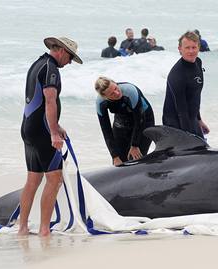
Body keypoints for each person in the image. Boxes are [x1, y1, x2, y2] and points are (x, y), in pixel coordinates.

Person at [19, 37, 83, 236]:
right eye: (70, 57)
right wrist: (53, 132)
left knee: (33, 180)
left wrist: (56, 125)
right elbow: (49, 100)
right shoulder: (51, 68)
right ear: (62, 51)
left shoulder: (37, 64)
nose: (69, 62)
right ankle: (44, 230)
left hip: (29, 128)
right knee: (54, 179)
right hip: (42, 132)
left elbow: (34, 101)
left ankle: (22, 229)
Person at [95, 77, 155, 166]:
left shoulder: (130, 91)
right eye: (111, 94)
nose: (117, 93)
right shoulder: (101, 103)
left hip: (144, 119)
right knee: (119, 161)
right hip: (122, 119)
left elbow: (140, 120)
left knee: (135, 161)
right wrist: (114, 156)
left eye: (116, 88)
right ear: (105, 97)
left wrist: (135, 145)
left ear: (115, 83)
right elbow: (106, 131)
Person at [162, 31, 210, 138]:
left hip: (191, 119)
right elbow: (181, 110)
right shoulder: (177, 75)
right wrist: (188, 137)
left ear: (199, 47)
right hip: (175, 124)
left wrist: (199, 120)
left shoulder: (198, 62)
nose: (191, 51)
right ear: (180, 49)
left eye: (194, 47)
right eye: (187, 47)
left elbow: (195, 96)